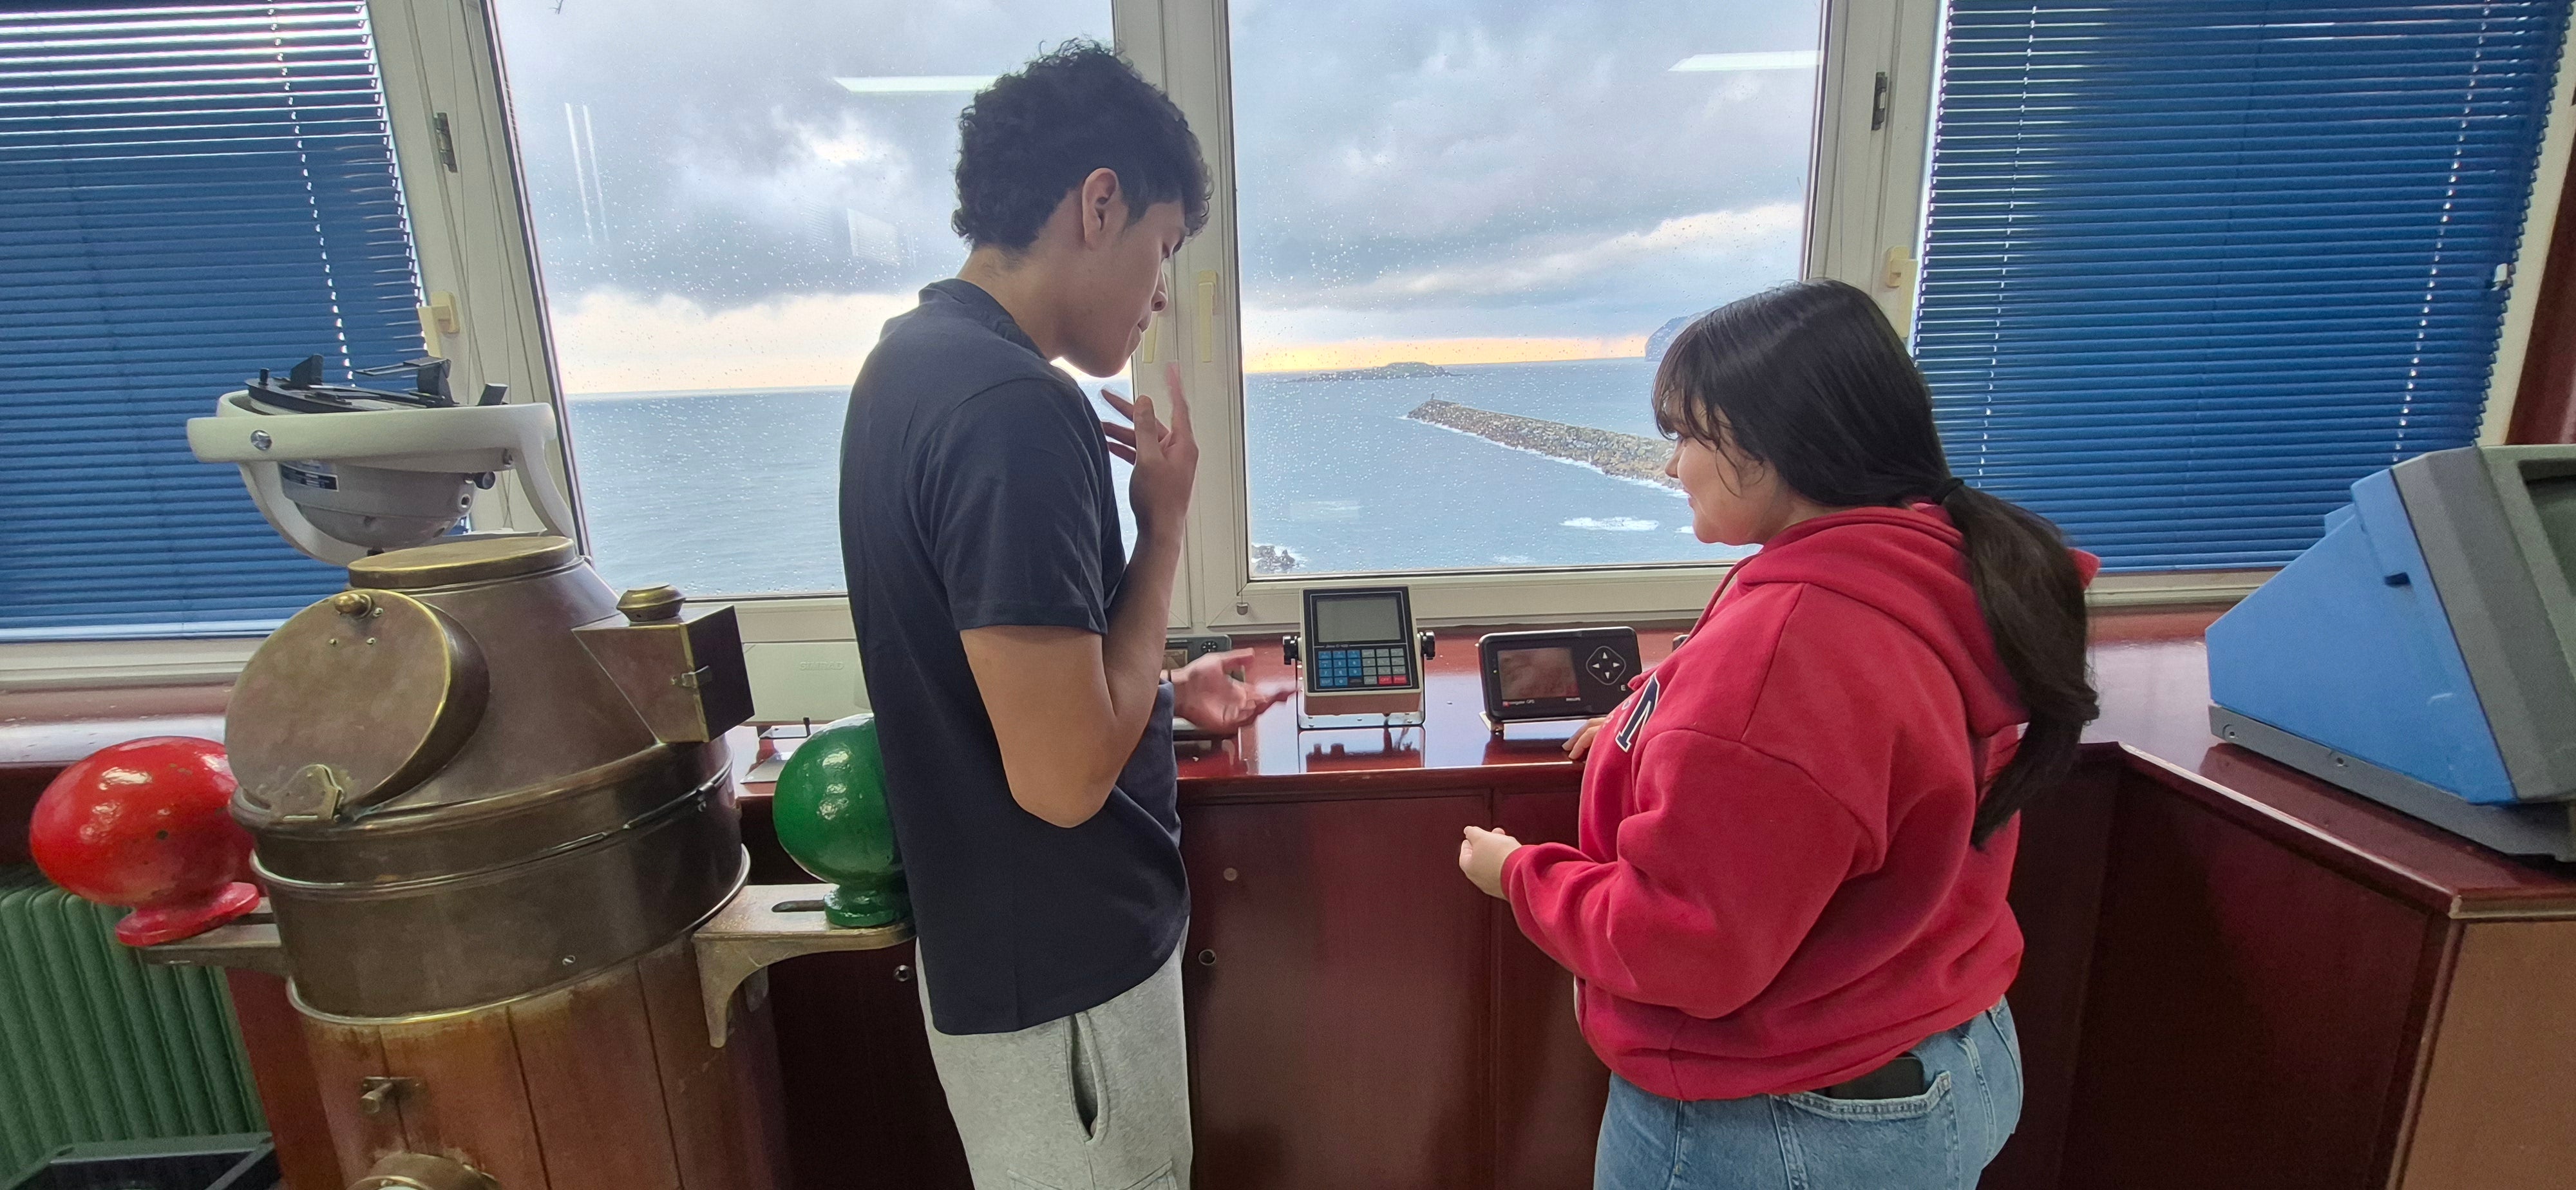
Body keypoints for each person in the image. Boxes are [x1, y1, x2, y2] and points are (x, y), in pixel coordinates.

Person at [1456, 279, 2100, 1189]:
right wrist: (1656, 717)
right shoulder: (1940, 570)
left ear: (1774, 449)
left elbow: (1681, 944)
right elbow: (1841, 755)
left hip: (1786, 1119)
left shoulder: (1787, 652)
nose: (1671, 466)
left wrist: (1518, 875)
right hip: (1950, 1049)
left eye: (1686, 437)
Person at [840, 41, 1285, 1190]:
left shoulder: (911, 363)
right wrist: (1169, 525)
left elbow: (1000, 688)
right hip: (1069, 982)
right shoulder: (1013, 409)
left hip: (1005, 964)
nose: (1158, 296)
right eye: (1165, 250)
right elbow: (1062, 779)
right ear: (1099, 204)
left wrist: (1158, 702)